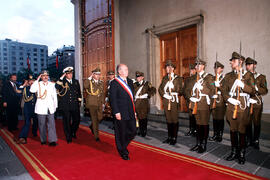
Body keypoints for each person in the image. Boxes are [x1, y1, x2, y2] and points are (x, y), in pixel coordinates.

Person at [220, 52, 255, 164]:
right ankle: (234, 151)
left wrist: (243, 86)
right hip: (231, 105)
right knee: (233, 130)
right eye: (231, 61)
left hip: (242, 106)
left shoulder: (248, 75)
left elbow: (253, 91)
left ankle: (241, 153)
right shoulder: (228, 76)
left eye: (233, 61)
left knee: (242, 130)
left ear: (240, 62)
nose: (231, 62)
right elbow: (223, 90)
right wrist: (228, 99)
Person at [109, 64, 137, 160]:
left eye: (127, 69)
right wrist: (116, 112)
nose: (127, 71)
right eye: (125, 69)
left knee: (133, 131)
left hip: (130, 111)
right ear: (119, 72)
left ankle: (123, 145)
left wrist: (135, 111)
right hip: (120, 112)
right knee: (121, 132)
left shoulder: (129, 81)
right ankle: (122, 151)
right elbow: (113, 99)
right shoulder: (114, 83)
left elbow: (132, 98)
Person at [189, 59, 215, 153]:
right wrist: (191, 97)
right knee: (198, 124)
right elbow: (189, 89)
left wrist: (203, 89)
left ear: (203, 66)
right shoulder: (195, 77)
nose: (196, 67)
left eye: (198, 65)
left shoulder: (209, 77)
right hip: (196, 103)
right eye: (196, 65)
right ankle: (198, 143)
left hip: (204, 104)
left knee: (204, 124)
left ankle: (203, 144)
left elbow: (213, 89)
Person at [30, 70, 58, 146]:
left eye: (46, 75)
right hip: (41, 108)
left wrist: (55, 106)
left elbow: (54, 96)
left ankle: (52, 140)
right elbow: (32, 90)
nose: (45, 77)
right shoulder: (38, 84)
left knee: (51, 124)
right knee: (41, 124)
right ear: (41, 77)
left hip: (50, 107)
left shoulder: (51, 85)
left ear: (48, 76)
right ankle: (43, 139)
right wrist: (36, 80)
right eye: (43, 75)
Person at [158, 60, 183, 145]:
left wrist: (174, 87)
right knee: (168, 119)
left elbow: (181, 90)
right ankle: (169, 137)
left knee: (174, 119)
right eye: (166, 67)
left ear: (173, 68)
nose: (167, 68)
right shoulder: (165, 78)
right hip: (166, 99)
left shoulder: (178, 78)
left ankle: (174, 138)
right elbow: (160, 88)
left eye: (169, 67)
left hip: (173, 100)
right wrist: (164, 95)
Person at [245, 57, 268, 150]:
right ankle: (249, 139)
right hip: (247, 102)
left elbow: (265, 90)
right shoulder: (245, 76)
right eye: (246, 64)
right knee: (248, 122)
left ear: (254, 65)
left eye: (249, 64)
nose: (247, 66)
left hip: (257, 102)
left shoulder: (261, 77)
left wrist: (257, 89)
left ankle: (256, 140)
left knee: (256, 122)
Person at [55, 67, 82, 143]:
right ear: (65, 74)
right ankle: (68, 136)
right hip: (65, 105)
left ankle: (73, 131)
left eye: (71, 73)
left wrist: (79, 101)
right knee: (66, 122)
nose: (70, 75)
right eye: (68, 73)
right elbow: (56, 87)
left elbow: (79, 92)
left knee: (77, 120)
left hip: (74, 104)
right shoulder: (62, 82)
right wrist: (61, 78)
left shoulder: (75, 81)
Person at [14, 75, 38, 144]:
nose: (31, 82)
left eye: (33, 81)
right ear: (28, 81)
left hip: (36, 108)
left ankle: (34, 132)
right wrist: (24, 85)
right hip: (27, 109)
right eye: (30, 81)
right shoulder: (25, 89)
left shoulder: (37, 88)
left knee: (36, 122)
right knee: (27, 123)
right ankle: (22, 137)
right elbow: (17, 93)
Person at [84, 67, 104, 142]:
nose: (98, 76)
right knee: (94, 119)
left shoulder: (101, 82)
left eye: (99, 74)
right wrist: (89, 78)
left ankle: (92, 126)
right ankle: (96, 136)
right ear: (93, 74)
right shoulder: (89, 82)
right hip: (92, 103)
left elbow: (102, 93)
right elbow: (85, 86)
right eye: (96, 74)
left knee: (100, 117)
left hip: (99, 103)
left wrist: (103, 103)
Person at [134, 71, 156, 137]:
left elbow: (153, 90)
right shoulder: (134, 84)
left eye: (139, 77)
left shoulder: (147, 83)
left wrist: (147, 95)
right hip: (137, 102)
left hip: (144, 103)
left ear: (142, 77)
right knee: (138, 117)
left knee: (143, 117)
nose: (138, 78)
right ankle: (139, 130)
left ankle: (144, 131)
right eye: (137, 77)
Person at [209, 61, 226, 142]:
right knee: (215, 118)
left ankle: (220, 135)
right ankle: (215, 134)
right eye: (215, 68)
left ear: (222, 69)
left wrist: (218, 87)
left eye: (218, 68)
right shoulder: (212, 78)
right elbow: (209, 88)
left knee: (220, 118)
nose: (216, 69)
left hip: (221, 101)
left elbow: (226, 89)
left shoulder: (225, 78)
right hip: (213, 100)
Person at [183, 64, 197, 137]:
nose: (191, 71)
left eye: (193, 69)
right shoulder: (187, 79)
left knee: (196, 116)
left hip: (196, 100)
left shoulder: (198, 78)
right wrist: (189, 97)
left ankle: (196, 130)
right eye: (190, 70)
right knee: (191, 115)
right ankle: (191, 129)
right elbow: (184, 90)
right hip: (189, 100)